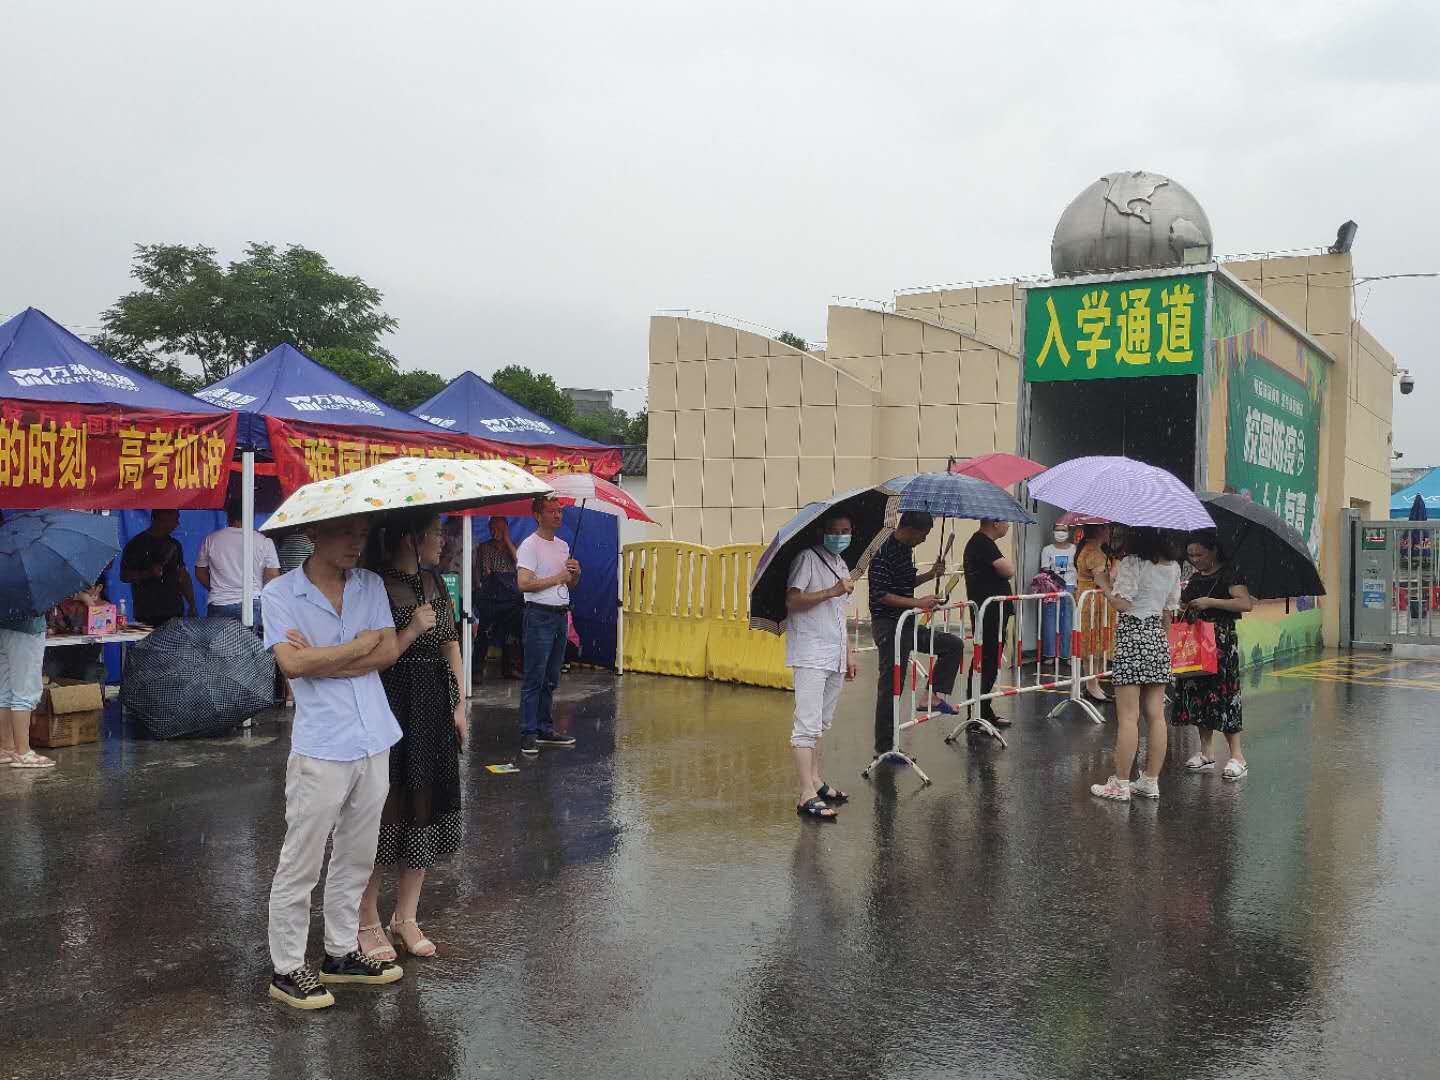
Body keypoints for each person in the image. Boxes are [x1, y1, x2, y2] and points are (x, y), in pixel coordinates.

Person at [262, 514, 406, 1010]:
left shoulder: (369, 584)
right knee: (301, 858)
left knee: (357, 854)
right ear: (314, 535)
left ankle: (340, 952)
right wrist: (355, 646)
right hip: (322, 742)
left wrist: (328, 657)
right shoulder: (280, 594)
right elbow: (292, 665)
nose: (355, 544)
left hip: (374, 735)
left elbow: (387, 652)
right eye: (345, 533)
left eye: (362, 535)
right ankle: (286, 966)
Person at [357, 511, 465, 961]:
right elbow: (376, 656)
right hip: (392, 702)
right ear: (410, 537)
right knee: (386, 811)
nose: (442, 541)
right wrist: (412, 627)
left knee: (424, 806)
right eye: (436, 533)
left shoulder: (436, 583)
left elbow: (450, 642)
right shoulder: (374, 586)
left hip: (434, 705)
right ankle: (366, 920)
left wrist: (460, 702)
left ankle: (407, 915)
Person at [1090, 527, 1183, 802]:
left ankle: (1120, 783)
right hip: (1157, 636)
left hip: (1132, 635)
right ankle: (1150, 781)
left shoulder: (1134, 562)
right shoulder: (1173, 567)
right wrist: (1161, 643)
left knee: (1128, 716)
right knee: (1155, 714)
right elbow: (1168, 611)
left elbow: (1121, 604)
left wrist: (1104, 582)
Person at [868, 511, 961, 756]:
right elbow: (881, 594)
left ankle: (930, 696)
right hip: (888, 625)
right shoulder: (883, 551)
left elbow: (907, 584)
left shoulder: (906, 550)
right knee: (891, 686)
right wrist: (917, 603)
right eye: (923, 534)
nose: (924, 539)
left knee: (952, 645)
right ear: (908, 529)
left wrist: (931, 575)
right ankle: (885, 748)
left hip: (906, 622)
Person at [784, 511, 857, 820]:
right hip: (811, 653)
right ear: (822, 532)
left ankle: (816, 780)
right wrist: (832, 590)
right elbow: (793, 600)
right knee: (806, 726)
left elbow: (838, 615)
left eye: (846, 529)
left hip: (834, 655)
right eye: (834, 530)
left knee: (821, 724)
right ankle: (806, 794)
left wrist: (849, 655)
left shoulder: (841, 564)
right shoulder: (807, 559)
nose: (841, 535)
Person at [1173, 531, 1253, 780]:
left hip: (1221, 644)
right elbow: (1186, 604)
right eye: (1190, 555)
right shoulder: (1196, 577)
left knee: (1225, 696)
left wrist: (1211, 602)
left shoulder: (1230, 573)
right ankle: (1206, 752)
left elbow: (1244, 604)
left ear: (1213, 550)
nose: (1194, 559)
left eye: (1199, 554)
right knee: (1198, 694)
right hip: (1196, 644)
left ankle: (1237, 756)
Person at [515, 495, 580, 757]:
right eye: (552, 511)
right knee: (534, 676)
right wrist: (558, 578)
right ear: (538, 516)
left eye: (560, 511)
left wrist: (575, 574)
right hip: (539, 615)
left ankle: (544, 727)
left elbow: (570, 584)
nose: (558, 516)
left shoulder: (564, 546)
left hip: (560, 614)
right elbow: (523, 584)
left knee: (551, 677)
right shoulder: (529, 546)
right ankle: (528, 732)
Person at [964, 519, 1016, 727]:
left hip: (994, 612)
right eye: (1006, 522)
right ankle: (976, 714)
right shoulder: (981, 543)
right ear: (995, 522)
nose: (1008, 526)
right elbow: (1008, 570)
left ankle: (984, 710)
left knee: (990, 662)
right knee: (984, 662)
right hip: (987, 613)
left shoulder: (986, 544)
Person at [197, 499, 281, 629]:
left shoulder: (211, 539)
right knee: (251, 648)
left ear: (228, 515)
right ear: (252, 515)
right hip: (252, 603)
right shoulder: (264, 541)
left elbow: (200, 572)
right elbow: (272, 576)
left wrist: (215, 587)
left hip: (219, 603)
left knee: (219, 648)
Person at [119, 510, 196, 627]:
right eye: (174, 520)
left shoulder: (175, 545)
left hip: (174, 610)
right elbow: (124, 576)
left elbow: (183, 575)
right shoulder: (136, 545)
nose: (177, 524)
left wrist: (192, 604)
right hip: (147, 612)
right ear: (160, 519)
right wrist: (147, 573)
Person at [0, 607, 54, 769]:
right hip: (26, 626)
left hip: (3, 624)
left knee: (4, 690)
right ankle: (23, 751)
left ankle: (6, 747)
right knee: (25, 689)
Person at [474, 517, 523, 681]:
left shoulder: (513, 546)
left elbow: (520, 563)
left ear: (506, 529)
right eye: (492, 529)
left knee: (512, 634)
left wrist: (507, 540)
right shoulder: (484, 546)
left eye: (500, 529)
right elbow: (485, 571)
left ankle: (511, 668)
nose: (495, 532)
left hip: (510, 596)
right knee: (484, 633)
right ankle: (477, 670)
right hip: (492, 595)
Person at [1074, 524, 1115, 703]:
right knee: (1092, 644)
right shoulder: (1093, 552)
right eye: (1107, 529)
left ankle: (1095, 683)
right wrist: (1118, 564)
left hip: (1097, 602)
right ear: (1099, 530)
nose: (1110, 533)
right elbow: (1104, 580)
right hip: (1093, 603)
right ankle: (1091, 685)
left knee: (1098, 644)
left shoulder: (1093, 549)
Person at [1038, 525, 1078, 662]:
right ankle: (1050, 654)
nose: (1061, 533)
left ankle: (1065, 654)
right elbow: (1045, 569)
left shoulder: (1075, 549)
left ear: (1069, 532)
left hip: (1070, 587)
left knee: (1067, 620)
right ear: (1053, 531)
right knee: (1050, 619)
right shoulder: (1047, 549)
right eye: (1058, 529)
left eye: (1064, 530)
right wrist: (1056, 581)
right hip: (1052, 587)